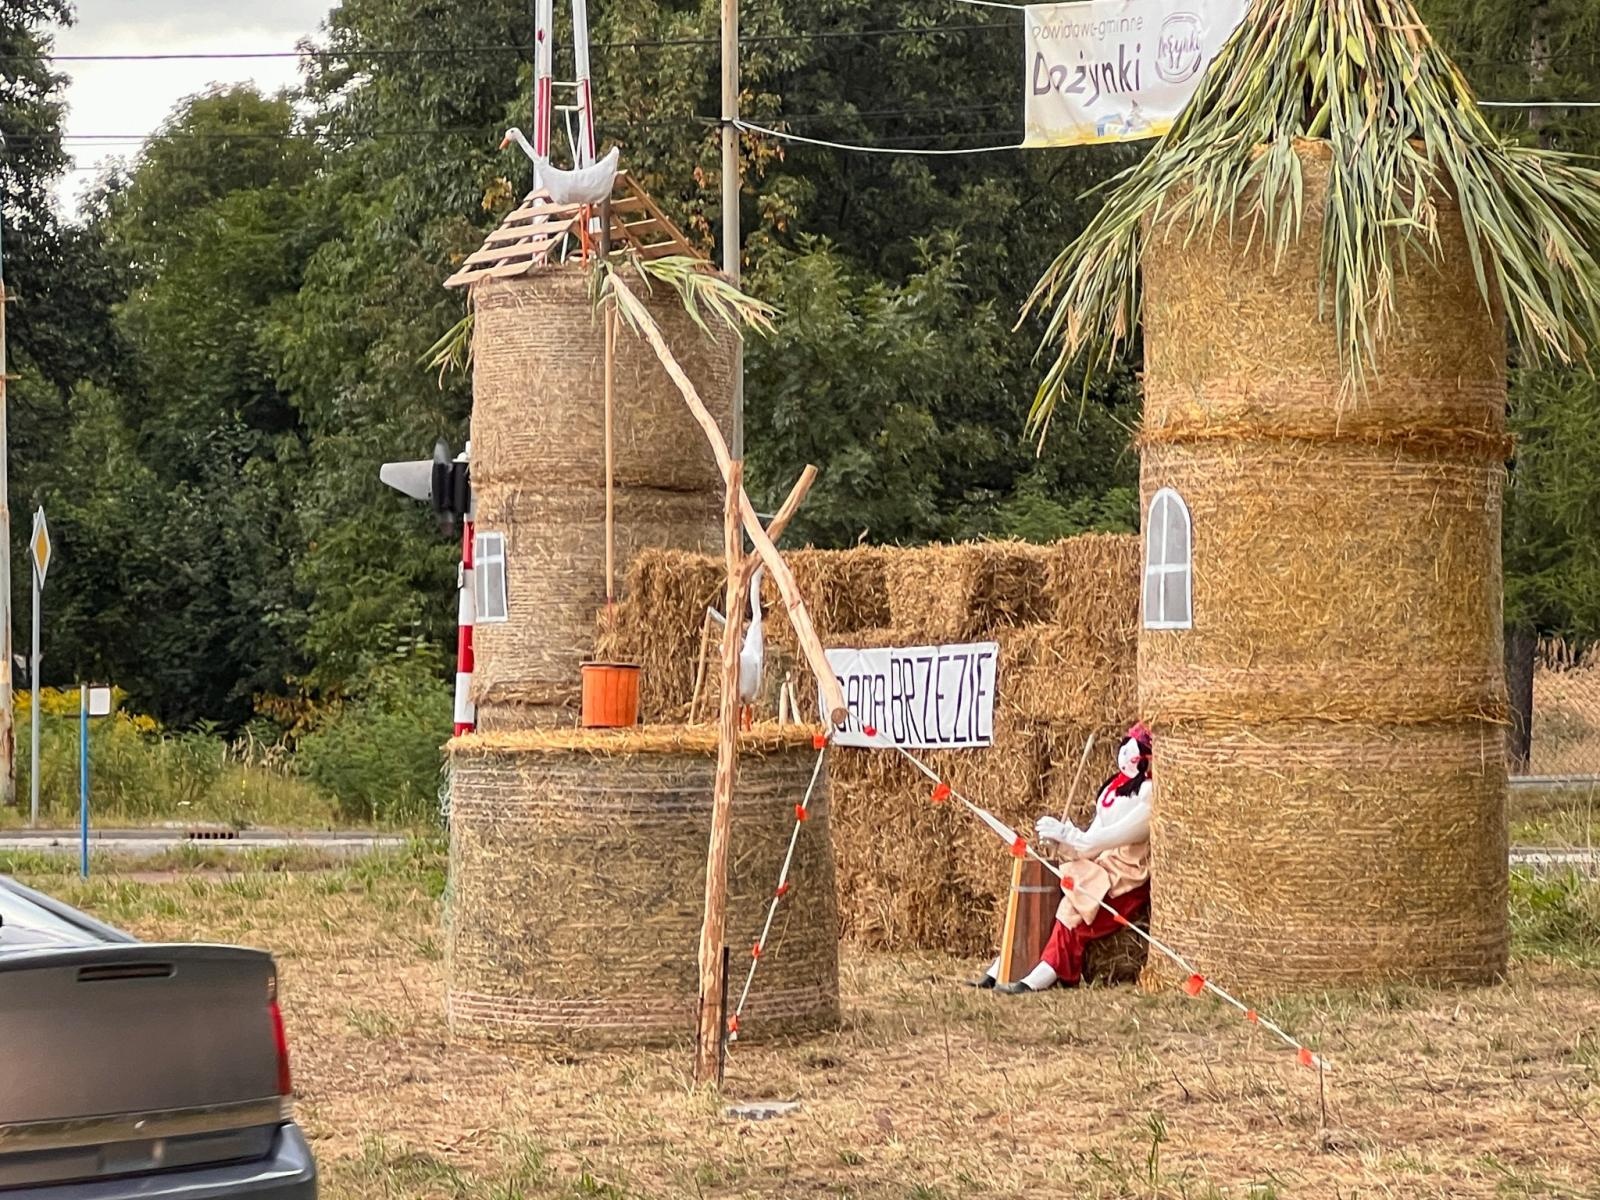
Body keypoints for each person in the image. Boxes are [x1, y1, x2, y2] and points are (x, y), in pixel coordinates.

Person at [970, 723, 1153, 993]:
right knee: (1048, 887)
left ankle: (1045, 973)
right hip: (1099, 864)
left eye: (1135, 749)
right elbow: (1093, 837)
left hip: (1125, 875)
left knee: (1076, 907)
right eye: (1126, 744)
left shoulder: (1149, 794)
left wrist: (1071, 837)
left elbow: (1107, 839)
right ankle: (1009, 961)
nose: (1126, 753)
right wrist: (1064, 842)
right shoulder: (1113, 789)